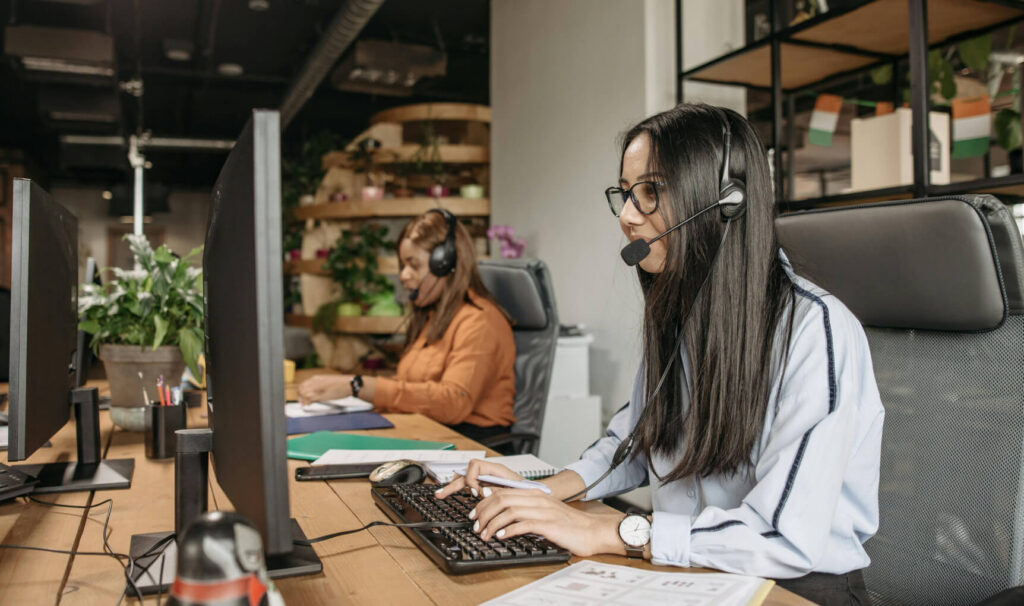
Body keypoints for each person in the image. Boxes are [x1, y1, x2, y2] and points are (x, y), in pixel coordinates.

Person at [437, 104, 884, 606]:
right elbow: (636, 438)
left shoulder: (814, 331)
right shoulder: (678, 314)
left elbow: (786, 537)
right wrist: (540, 490)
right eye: (625, 194)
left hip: (793, 589)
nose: (627, 216)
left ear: (726, 202)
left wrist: (613, 534)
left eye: (650, 192)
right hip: (692, 571)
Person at [297, 209, 517, 442]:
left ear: (445, 264)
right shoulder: (433, 317)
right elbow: (411, 387)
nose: (403, 275)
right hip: (428, 432)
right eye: (402, 265)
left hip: (470, 444)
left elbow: (453, 403)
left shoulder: (480, 321)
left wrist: (358, 385)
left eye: (413, 265)